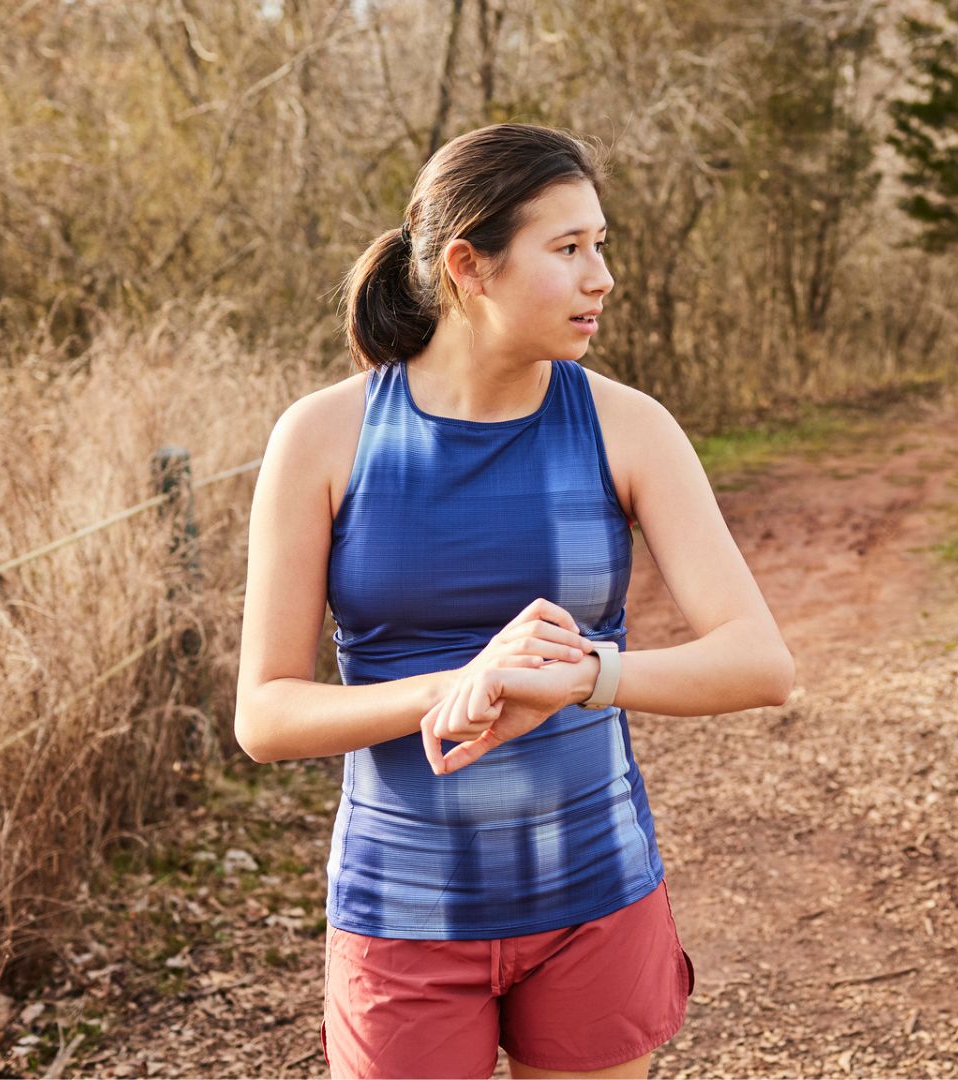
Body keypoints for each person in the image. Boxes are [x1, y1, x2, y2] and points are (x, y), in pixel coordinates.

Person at [232, 122, 795, 1080]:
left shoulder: (628, 427)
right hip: (400, 911)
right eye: (568, 248)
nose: (601, 277)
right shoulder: (324, 439)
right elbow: (267, 712)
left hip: (597, 900)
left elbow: (760, 661)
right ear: (469, 266)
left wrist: (584, 677)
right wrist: (463, 684)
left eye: (601, 246)